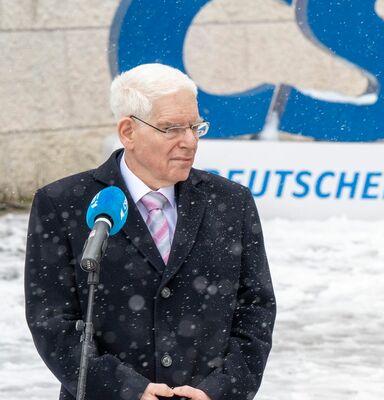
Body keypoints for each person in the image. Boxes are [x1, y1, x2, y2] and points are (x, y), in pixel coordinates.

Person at [25, 63, 276, 400]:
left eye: (195, 126)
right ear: (128, 131)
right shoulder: (63, 203)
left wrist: (221, 390)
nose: (189, 141)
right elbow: (52, 321)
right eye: (171, 128)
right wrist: (125, 389)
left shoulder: (231, 201)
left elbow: (255, 309)